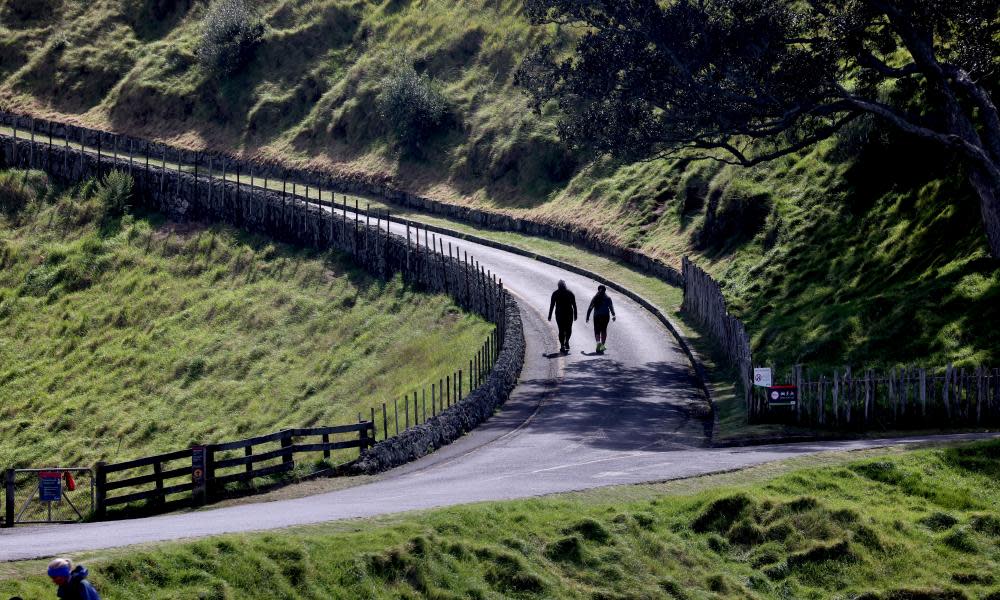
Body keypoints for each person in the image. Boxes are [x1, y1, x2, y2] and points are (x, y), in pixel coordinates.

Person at [547, 280, 578, 353]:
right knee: (568, 329)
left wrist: (550, 315)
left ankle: (562, 345)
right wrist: (575, 315)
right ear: (565, 285)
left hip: (559, 314)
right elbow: (574, 305)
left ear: (558, 286)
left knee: (561, 330)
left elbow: (552, 305)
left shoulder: (555, 293)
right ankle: (566, 341)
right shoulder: (570, 293)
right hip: (569, 314)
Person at [585, 285, 616, 353]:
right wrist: (613, 315)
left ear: (598, 289)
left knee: (597, 330)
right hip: (605, 316)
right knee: (604, 330)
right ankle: (602, 345)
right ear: (605, 290)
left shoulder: (595, 298)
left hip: (597, 316)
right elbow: (611, 307)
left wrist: (587, 317)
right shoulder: (608, 298)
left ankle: (598, 343)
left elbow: (590, 308)